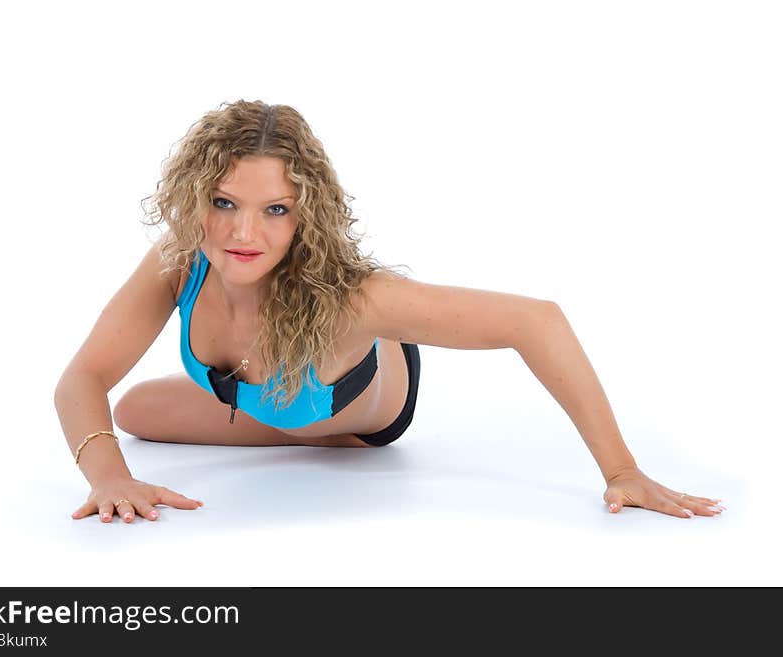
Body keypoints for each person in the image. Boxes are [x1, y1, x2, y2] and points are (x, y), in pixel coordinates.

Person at [55, 99, 726, 524]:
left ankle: (325, 435)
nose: (243, 234)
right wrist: (111, 478)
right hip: (271, 402)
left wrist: (621, 471)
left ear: (305, 216)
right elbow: (82, 378)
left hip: (366, 397)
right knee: (133, 409)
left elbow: (538, 320)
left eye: (275, 210)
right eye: (225, 203)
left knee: (164, 412)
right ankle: (301, 433)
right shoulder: (180, 260)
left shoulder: (354, 300)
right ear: (194, 195)